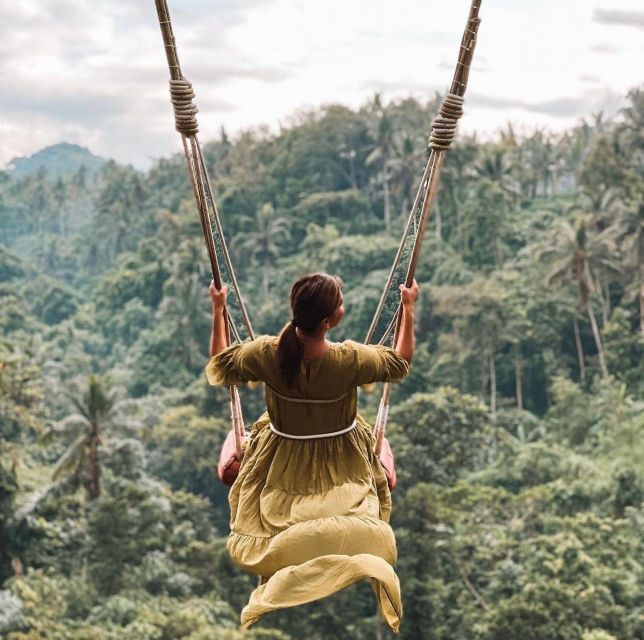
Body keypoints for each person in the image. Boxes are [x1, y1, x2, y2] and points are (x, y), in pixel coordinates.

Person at [205, 272, 419, 632]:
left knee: (235, 450)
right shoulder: (349, 360)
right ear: (327, 321)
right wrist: (408, 310)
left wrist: (218, 309)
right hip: (343, 461)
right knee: (385, 475)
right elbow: (399, 364)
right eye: (340, 303)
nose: (343, 307)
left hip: (281, 457)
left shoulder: (267, 353)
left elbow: (220, 365)